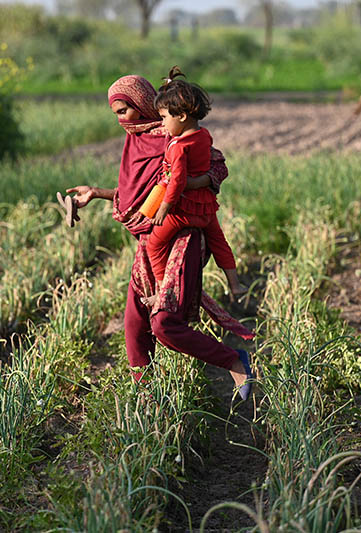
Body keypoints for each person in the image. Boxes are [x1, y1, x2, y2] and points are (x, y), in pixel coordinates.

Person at [64, 74, 255, 400]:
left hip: (183, 234)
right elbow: (137, 193)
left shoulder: (173, 134)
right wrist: (95, 193)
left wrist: (194, 184)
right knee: (135, 323)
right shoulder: (136, 141)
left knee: (165, 324)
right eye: (116, 113)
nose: (120, 119)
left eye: (123, 110)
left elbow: (216, 167)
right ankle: (146, 397)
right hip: (152, 236)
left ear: (141, 105)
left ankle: (234, 361)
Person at [140, 67, 246, 298]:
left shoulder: (178, 147)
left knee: (154, 245)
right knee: (218, 242)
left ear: (181, 116)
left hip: (183, 210)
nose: (163, 124)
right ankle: (235, 284)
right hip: (206, 208)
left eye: (164, 117)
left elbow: (177, 180)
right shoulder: (204, 135)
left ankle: (162, 291)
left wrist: (164, 208)